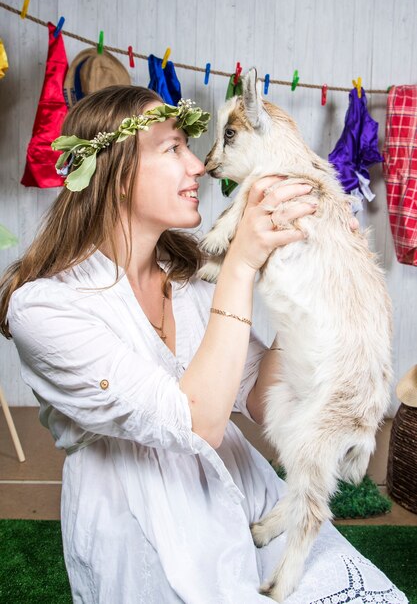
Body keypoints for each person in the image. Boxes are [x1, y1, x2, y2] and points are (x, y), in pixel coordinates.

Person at [0, 85, 407, 604]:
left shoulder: (189, 279)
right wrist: (242, 263)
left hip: (237, 490)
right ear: (118, 175)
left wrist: (315, 279)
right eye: (173, 149)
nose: (198, 165)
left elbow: (261, 399)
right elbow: (199, 423)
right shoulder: (45, 309)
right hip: (142, 519)